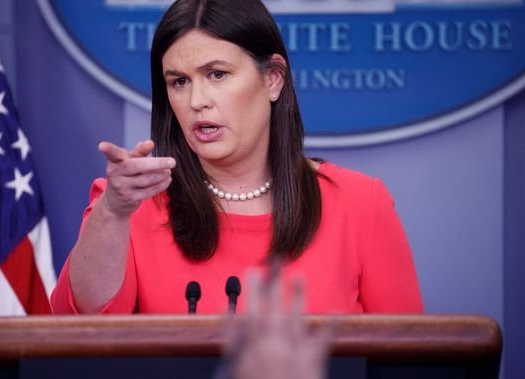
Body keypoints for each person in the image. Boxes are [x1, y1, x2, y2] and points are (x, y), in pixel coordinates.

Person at [50, 0, 423, 315]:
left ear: (273, 79)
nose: (197, 101)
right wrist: (113, 213)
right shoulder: (128, 206)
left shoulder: (360, 204)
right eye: (179, 82)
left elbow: (410, 364)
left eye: (217, 74)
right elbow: (79, 325)